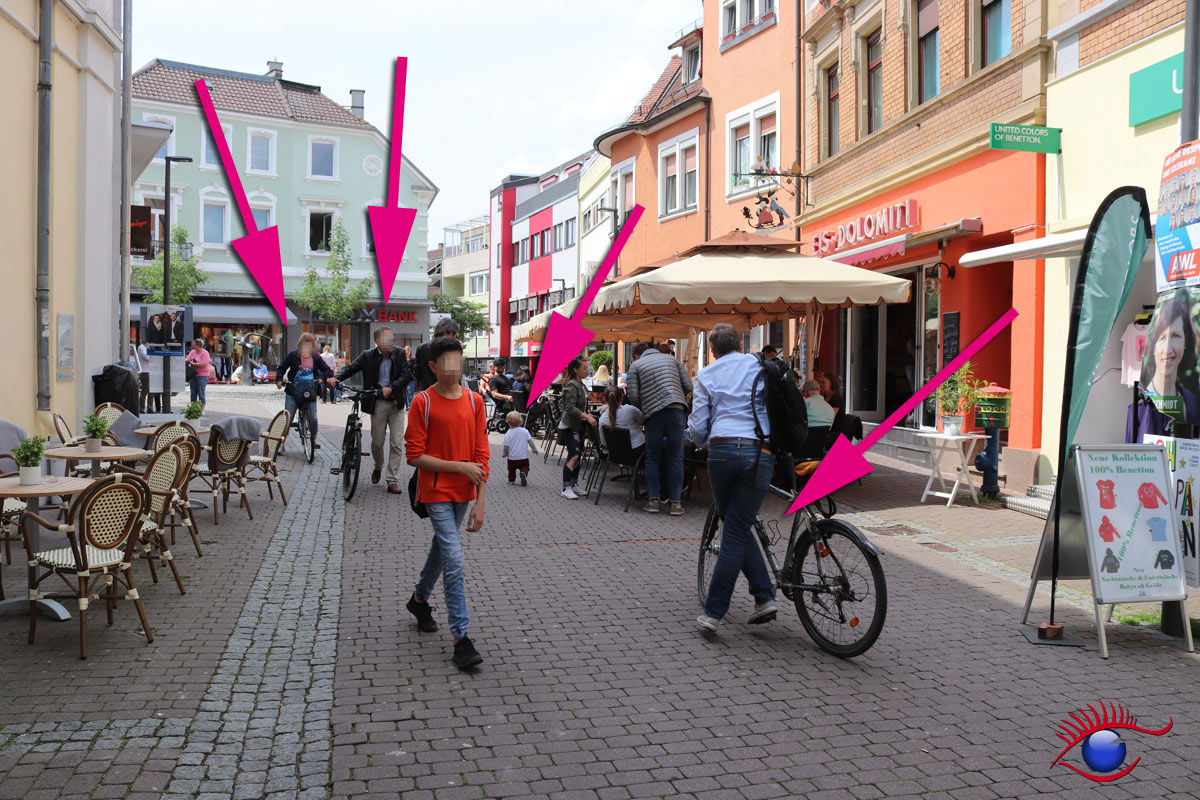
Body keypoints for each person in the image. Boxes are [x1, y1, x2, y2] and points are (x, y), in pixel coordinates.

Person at [404, 335, 488, 670]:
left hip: (464, 494)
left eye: (459, 360)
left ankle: (419, 600)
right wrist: (459, 466)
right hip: (435, 492)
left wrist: (480, 502)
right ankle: (461, 638)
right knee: (454, 559)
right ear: (433, 366)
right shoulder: (422, 403)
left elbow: (482, 458)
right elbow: (414, 456)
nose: (454, 368)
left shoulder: (475, 402)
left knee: (442, 550)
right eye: (447, 362)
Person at [688, 323, 777, 633]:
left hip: (723, 451)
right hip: (760, 451)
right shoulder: (758, 365)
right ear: (740, 343)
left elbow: (699, 428)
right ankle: (763, 597)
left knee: (734, 529)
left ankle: (714, 611)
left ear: (713, 350)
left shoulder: (708, 375)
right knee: (739, 525)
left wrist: (699, 437)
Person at [330, 328, 413, 493]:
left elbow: (406, 375)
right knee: (377, 442)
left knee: (396, 443)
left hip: (396, 403)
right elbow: (352, 367)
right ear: (378, 342)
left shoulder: (399, 353)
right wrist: (336, 377)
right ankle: (378, 466)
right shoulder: (368, 355)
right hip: (378, 402)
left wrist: (391, 387)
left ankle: (392, 480)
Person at [626, 341, 692, 516]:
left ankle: (653, 501)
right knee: (676, 457)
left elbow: (632, 396)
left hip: (654, 416)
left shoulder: (636, 365)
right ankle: (676, 503)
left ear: (637, 355)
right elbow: (688, 386)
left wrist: (646, 407)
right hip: (677, 410)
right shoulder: (672, 360)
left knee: (653, 457)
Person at [1143, 291, 1200, 423]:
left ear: (1185, 342)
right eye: (1162, 338)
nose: (1167, 349)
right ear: (1153, 346)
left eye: (1175, 336)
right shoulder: (1144, 400)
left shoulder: (1190, 400)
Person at [276, 332, 335, 445]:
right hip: (293, 390)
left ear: (313, 346)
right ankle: (281, 443)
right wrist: (279, 379)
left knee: (313, 418)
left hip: (310, 390)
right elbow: (282, 367)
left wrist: (330, 377)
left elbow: (326, 369)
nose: (307, 347)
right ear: (300, 345)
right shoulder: (293, 355)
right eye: (305, 345)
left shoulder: (316, 357)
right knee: (287, 418)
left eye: (309, 345)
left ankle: (314, 439)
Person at [557, 356, 597, 499]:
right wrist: (587, 416)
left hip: (578, 426)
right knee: (573, 455)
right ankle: (565, 487)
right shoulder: (571, 385)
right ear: (575, 369)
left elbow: (581, 406)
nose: (587, 371)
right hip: (570, 427)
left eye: (588, 368)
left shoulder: (580, 384)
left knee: (578, 456)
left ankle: (573, 484)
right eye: (584, 368)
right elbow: (569, 407)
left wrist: (588, 412)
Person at [414, 317, 462, 392]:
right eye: (454, 334)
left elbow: (417, 373)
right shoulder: (449, 348)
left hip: (428, 393)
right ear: (446, 331)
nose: (455, 337)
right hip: (448, 393)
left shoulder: (422, 348)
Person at [598, 385, 645, 457]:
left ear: (605, 400)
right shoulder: (631, 410)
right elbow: (643, 422)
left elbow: (604, 444)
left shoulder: (602, 419)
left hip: (615, 455)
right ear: (622, 397)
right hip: (637, 453)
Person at [502, 411, 538, 485]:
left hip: (512, 458)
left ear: (508, 423)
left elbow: (506, 446)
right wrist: (534, 449)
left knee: (511, 470)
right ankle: (523, 472)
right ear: (521, 422)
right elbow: (530, 441)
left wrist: (505, 454)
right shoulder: (524, 431)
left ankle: (511, 480)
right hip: (523, 457)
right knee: (525, 466)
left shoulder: (508, 433)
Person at [185, 338, 212, 407]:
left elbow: (204, 364)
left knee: (201, 391)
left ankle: (201, 407)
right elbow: (188, 359)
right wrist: (188, 360)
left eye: (194, 345)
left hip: (202, 375)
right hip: (193, 374)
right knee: (193, 392)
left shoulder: (205, 353)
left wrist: (194, 364)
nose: (192, 346)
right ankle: (193, 406)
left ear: (198, 345)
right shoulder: (192, 352)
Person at [136, 340, 156, 413]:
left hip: (151, 371)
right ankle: (141, 408)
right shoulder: (141, 347)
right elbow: (148, 358)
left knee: (151, 391)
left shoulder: (149, 347)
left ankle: (150, 407)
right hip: (145, 372)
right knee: (144, 391)